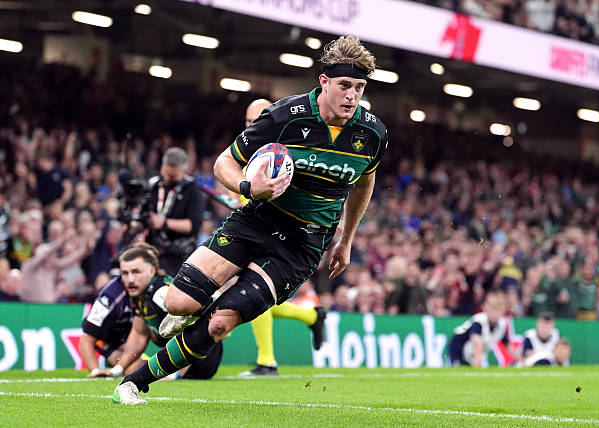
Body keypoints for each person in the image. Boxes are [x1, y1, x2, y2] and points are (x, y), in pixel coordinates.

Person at [113, 35, 388, 404]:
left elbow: (365, 181)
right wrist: (248, 186)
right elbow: (223, 163)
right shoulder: (284, 117)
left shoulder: (372, 133)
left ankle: (133, 384)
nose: (352, 96)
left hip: (302, 244)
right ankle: (197, 308)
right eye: (344, 85)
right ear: (324, 81)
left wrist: (346, 240)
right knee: (178, 304)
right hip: (256, 220)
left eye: (359, 87)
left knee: (219, 324)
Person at [240, 98, 327, 377]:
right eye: (248, 121)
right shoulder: (247, 151)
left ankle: (267, 361)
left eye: (257, 120)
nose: (252, 126)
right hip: (252, 229)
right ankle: (311, 316)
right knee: (254, 294)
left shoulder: (284, 154)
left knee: (252, 290)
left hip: (277, 234)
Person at [92, 243, 222, 380]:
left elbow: (194, 324)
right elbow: (139, 334)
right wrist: (118, 369)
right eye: (125, 273)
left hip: (201, 359)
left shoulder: (160, 293)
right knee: (132, 370)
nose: (130, 279)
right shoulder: (141, 294)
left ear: (152, 271)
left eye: (136, 272)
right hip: (186, 358)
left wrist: (174, 375)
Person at [144, 147, 205, 276]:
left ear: (184, 171)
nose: (166, 178)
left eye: (172, 176)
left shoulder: (193, 190)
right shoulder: (154, 185)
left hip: (180, 256)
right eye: (165, 173)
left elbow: (193, 225)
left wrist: (164, 223)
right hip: (154, 252)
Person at [448, 292, 522, 367]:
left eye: (498, 310)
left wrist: (522, 361)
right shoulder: (479, 321)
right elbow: (477, 343)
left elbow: (508, 345)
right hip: (459, 347)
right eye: (493, 309)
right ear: (487, 309)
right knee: (460, 368)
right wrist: (477, 365)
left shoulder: (501, 325)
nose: (495, 313)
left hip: (473, 351)